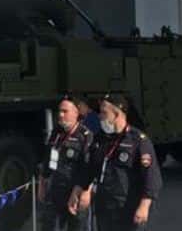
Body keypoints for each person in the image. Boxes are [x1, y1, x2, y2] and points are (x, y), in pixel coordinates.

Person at [68, 94, 162, 231]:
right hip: (104, 208)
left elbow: (151, 177)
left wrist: (144, 205)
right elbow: (89, 168)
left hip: (127, 208)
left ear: (117, 115)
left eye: (104, 113)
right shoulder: (100, 139)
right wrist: (77, 189)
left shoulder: (138, 141)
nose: (100, 117)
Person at [38, 95, 94, 231]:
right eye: (59, 111)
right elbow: (47, 159)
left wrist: (86, 191)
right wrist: (42, 182)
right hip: (55, 192)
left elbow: (89, 167)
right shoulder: (56, 133)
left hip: (75, 193)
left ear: (76, 113)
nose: (61, 115)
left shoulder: (85, 136)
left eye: (65, 111)